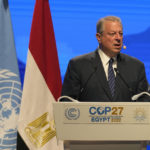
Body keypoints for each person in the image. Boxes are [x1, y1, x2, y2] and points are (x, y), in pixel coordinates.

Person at [61, 16, 149, 102]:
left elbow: (145, 99)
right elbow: (67, 100)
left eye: (120, 34)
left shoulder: (136, 66)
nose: (118, 38)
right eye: (112, 34)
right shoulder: (78, 65)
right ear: (99, 37)